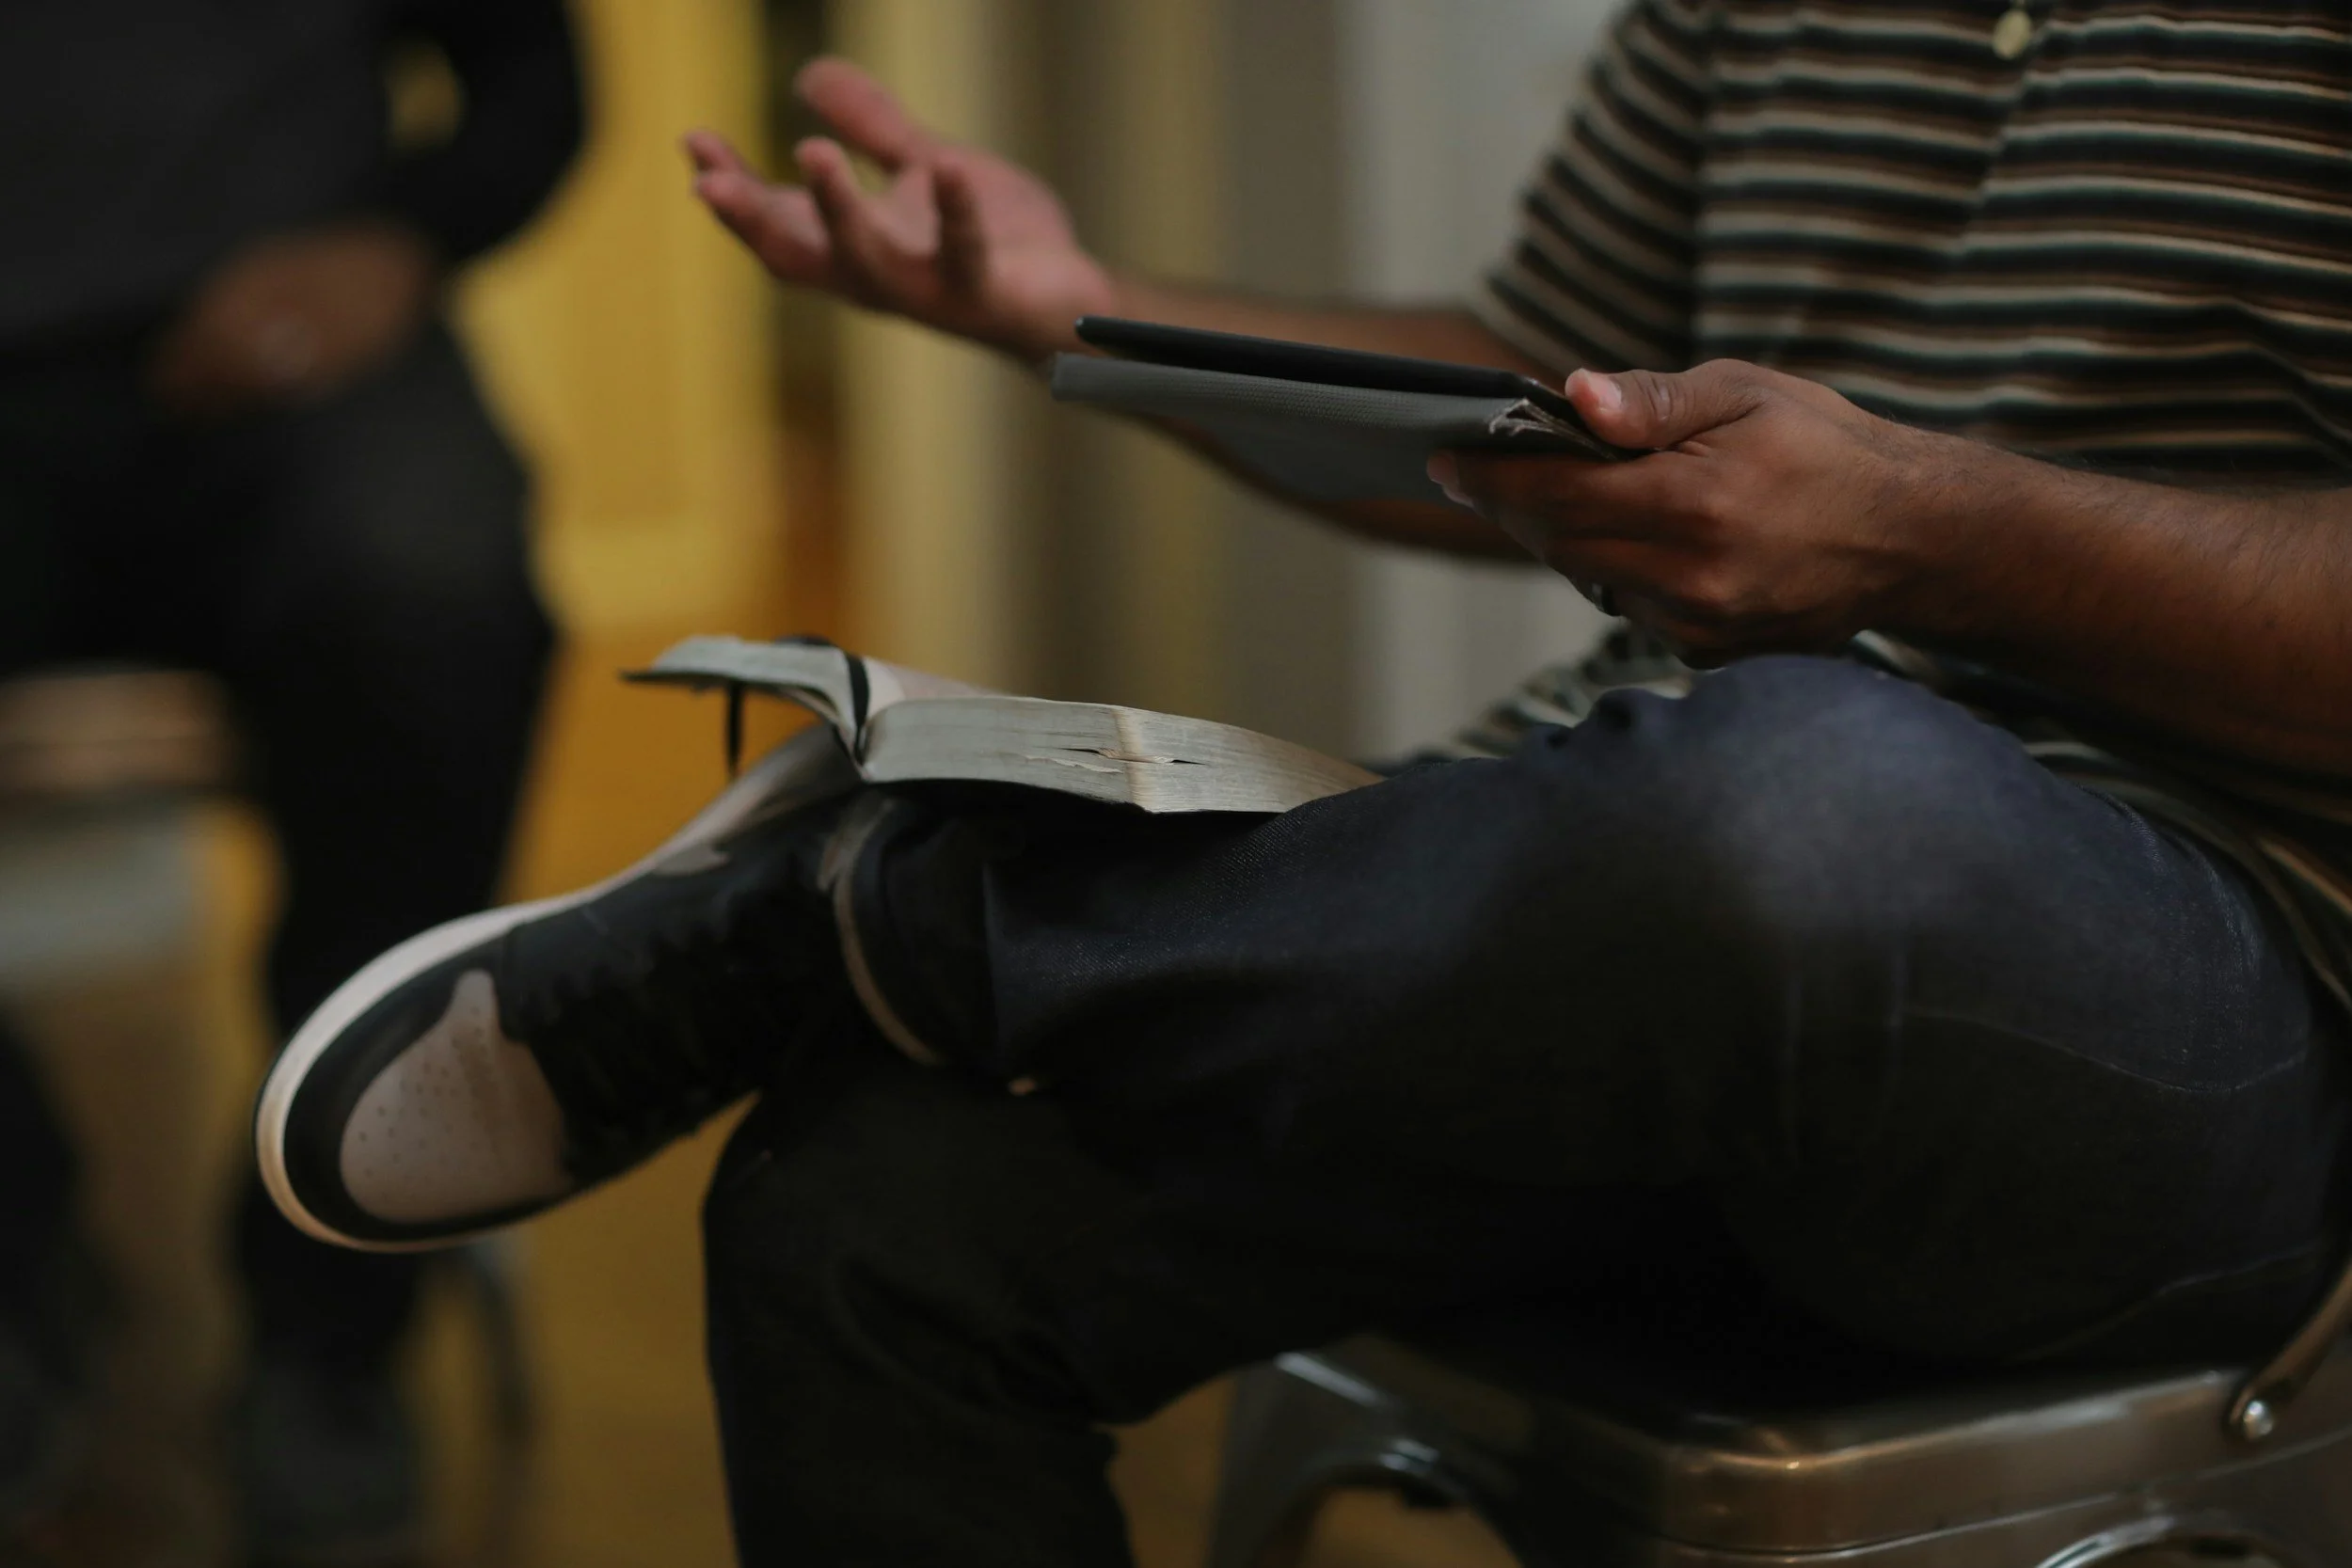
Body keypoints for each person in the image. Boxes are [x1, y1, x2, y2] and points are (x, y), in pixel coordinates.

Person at [260, 10, 2352, 1566]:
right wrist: (1065, 309)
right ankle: (885, 926)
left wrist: (1933, 536)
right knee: (867, 1212)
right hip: (1646, 918)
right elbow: (1547, 378)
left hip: (2232, 1002)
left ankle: (871, 910)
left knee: (1803, 799)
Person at [0, 3, 580, 1561]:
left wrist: (397, 240)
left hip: (292, 352)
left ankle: (330, 1327)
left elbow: (535, 81)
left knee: (430, 590)